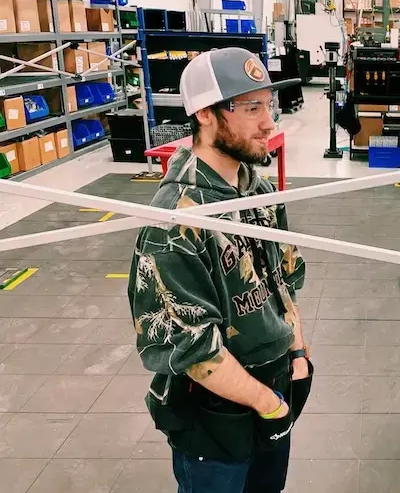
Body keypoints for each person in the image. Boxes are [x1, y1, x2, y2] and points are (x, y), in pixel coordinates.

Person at [127, 48, 310, 493]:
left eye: (270, 104)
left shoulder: (257, 190)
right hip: (215, 416)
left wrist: (299, 357)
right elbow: (194, 350)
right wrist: (269, 405)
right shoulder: (176, 221)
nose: (269, 122)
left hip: (274, 386)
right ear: (206, 114)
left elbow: (281, 283)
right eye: (252, 108)